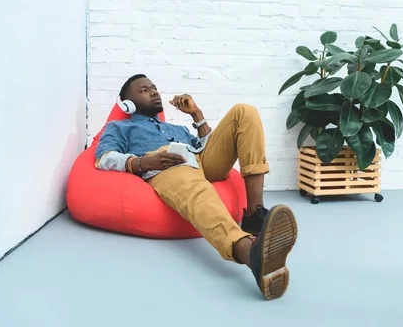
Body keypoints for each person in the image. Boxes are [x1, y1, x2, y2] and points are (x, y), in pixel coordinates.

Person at [94, 74, 298, 300]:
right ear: (127, 103)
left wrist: (196, 114)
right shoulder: (120, 127)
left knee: (245, 111)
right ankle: (249, 253)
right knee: (198, 191)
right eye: (144, 90)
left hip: (200, 159)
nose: (154, 92)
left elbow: (207, 146)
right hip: (165, 166)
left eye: (154, 88)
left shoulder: (175, 128)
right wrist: (141, 163)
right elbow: (104, 157)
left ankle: (254, 214)